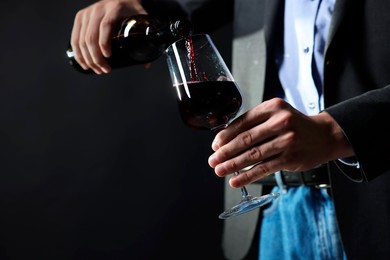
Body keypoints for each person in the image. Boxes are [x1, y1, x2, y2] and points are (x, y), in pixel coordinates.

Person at [70, 0, 390, 259]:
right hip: (279, 213)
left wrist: (336, 132)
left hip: (378, 210)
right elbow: (182, 9)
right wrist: (139, 4)